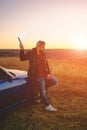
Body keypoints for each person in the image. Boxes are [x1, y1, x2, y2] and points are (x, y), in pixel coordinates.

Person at [19, 39, 58, 111]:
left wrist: (49, 73)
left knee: (55, 81)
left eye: (44, 47)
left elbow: (46, 64)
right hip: (36, 76)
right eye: (42, 47)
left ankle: (39, 88)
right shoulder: (31, 53)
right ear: (38, 46)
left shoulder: (43, 54)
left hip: (45, 75)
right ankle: (47, 106)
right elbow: (22, 58)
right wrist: (22, 50)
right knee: (43, 92)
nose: (44, 48)